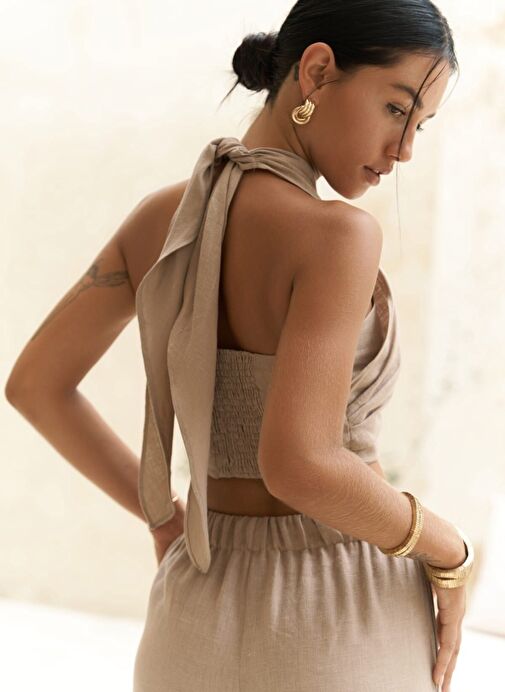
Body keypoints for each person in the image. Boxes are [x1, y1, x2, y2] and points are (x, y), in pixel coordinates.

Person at [5, 1, 474, 690]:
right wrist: (448, 550)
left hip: (193, 606)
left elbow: (35, 386)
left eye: (419, 126)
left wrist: (163, 518)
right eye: (396, 109)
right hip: (338, 617)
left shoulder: (158, 220)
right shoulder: (338, 235)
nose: (403, 150)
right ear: (317, 71)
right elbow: (300, 465)